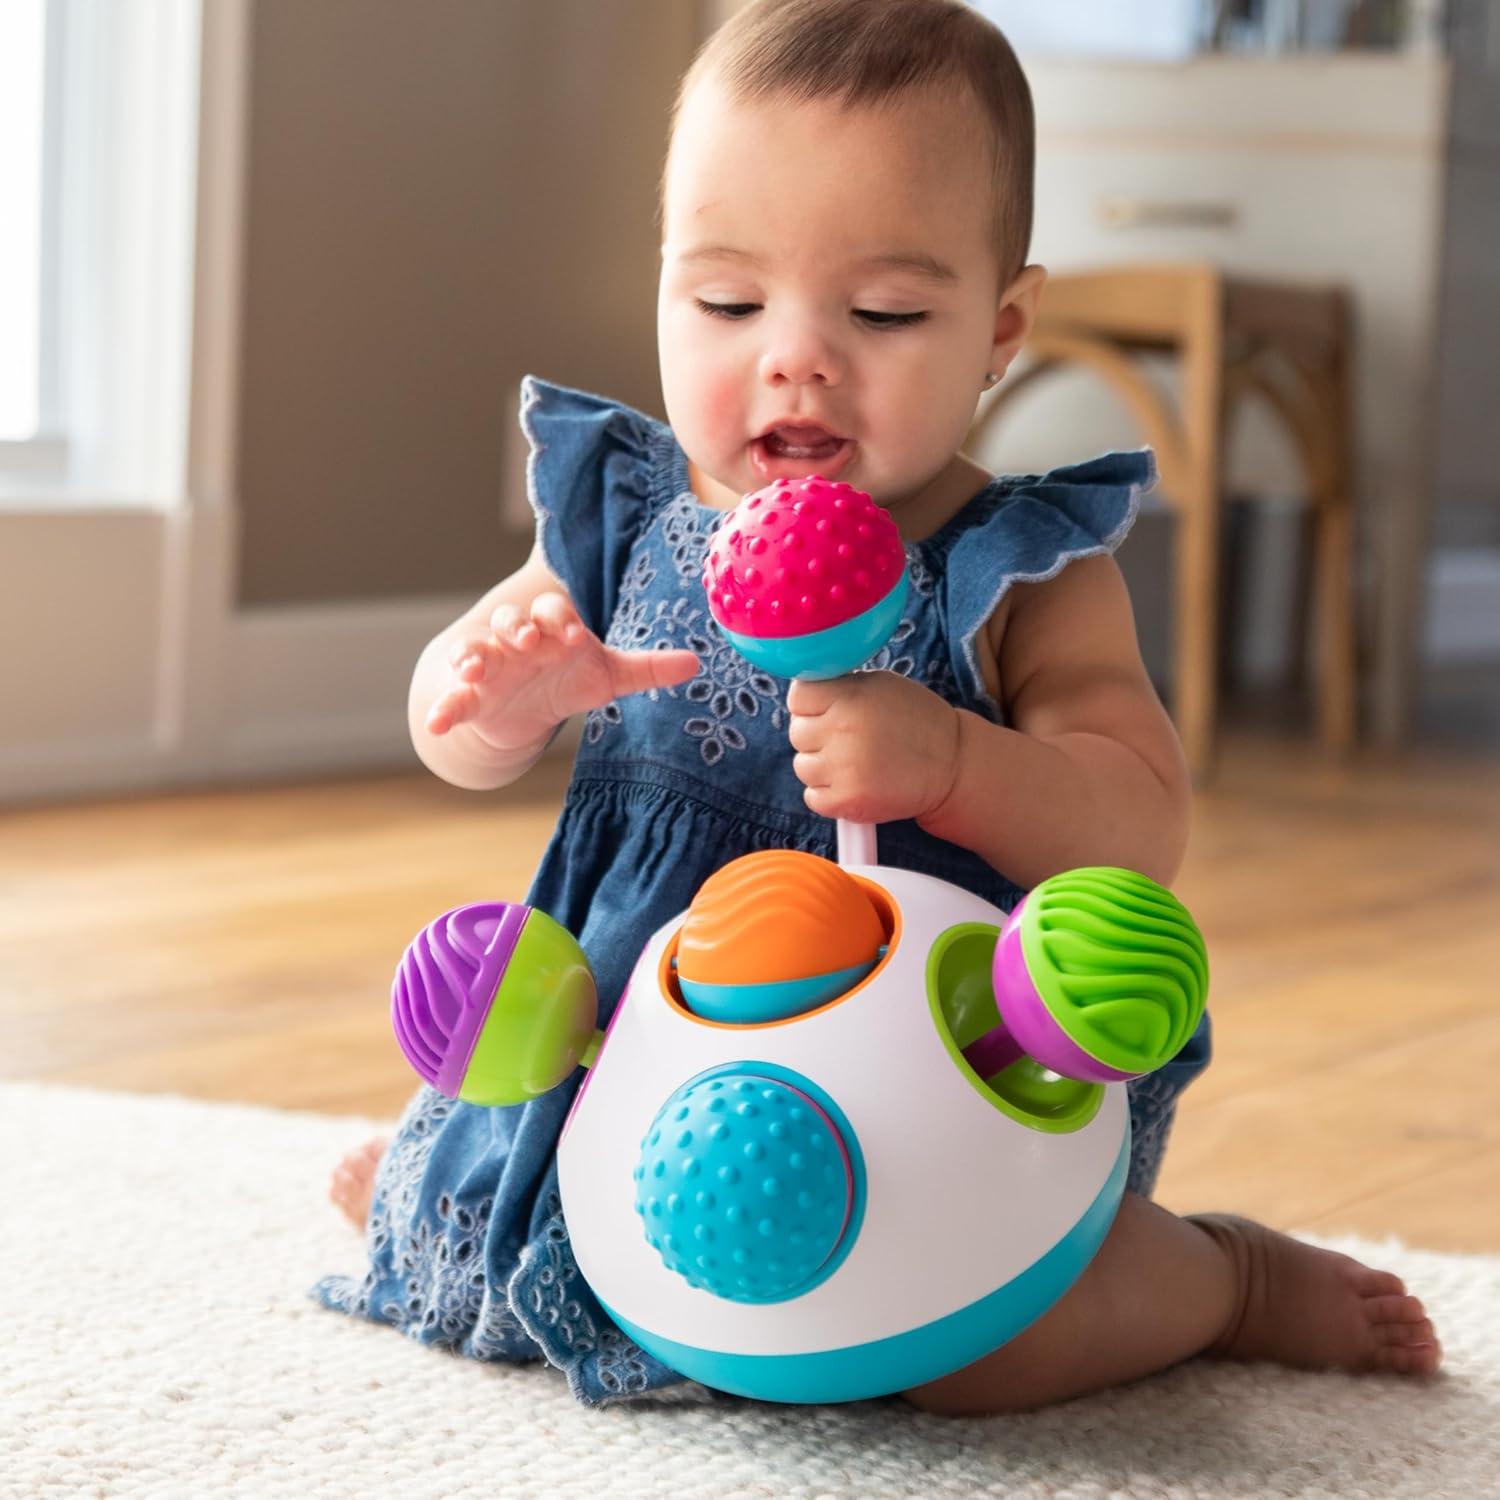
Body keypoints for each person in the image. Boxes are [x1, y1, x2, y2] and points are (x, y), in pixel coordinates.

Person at [317, 0, 1441, 1414]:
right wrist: (495, 704)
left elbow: (1139, 826)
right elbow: (453, 732)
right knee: (512, 1242)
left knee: (973, 1350)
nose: (796, 357)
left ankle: (1222, 1277)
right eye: (728, 304)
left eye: (886, 313)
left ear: (1001, 329)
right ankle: (473, 1178)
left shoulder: (1020, 567)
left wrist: (956, 764)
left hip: (935, 1077)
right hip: (649, 1049)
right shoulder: (621, 519)